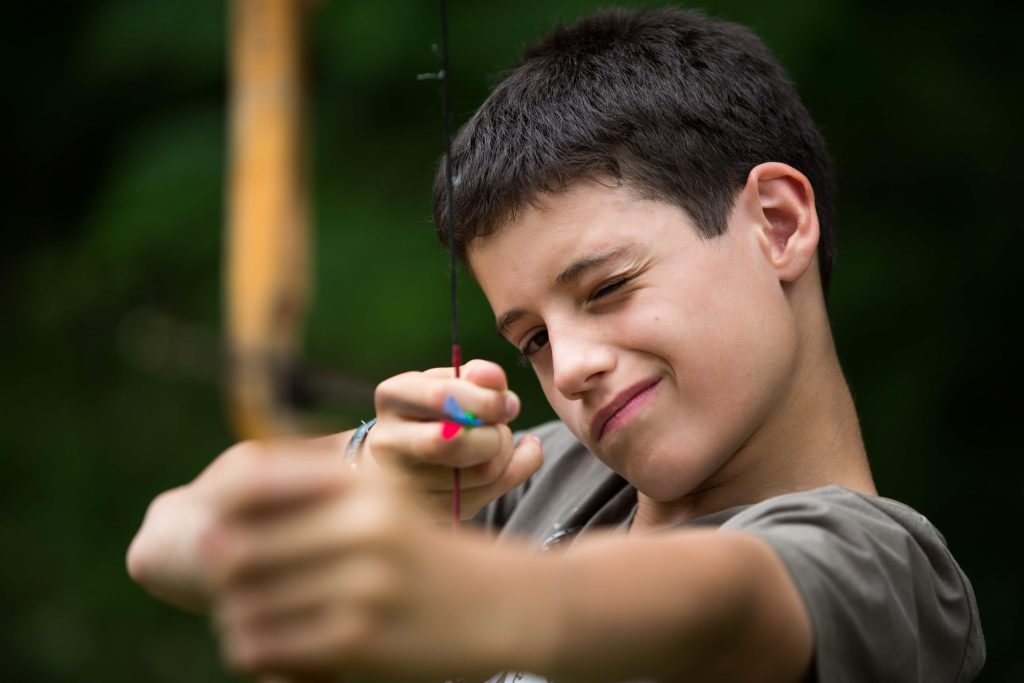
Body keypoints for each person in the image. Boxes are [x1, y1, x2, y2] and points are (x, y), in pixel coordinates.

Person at [127, 7, 985, 682]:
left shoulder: (883, 572)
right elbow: (168, 538)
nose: (570, 369)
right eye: (533, 337)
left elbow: (729, 606)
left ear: (778, 222)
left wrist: (494, 598)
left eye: (608, 288)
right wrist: (380, 471)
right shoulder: (553, 474)